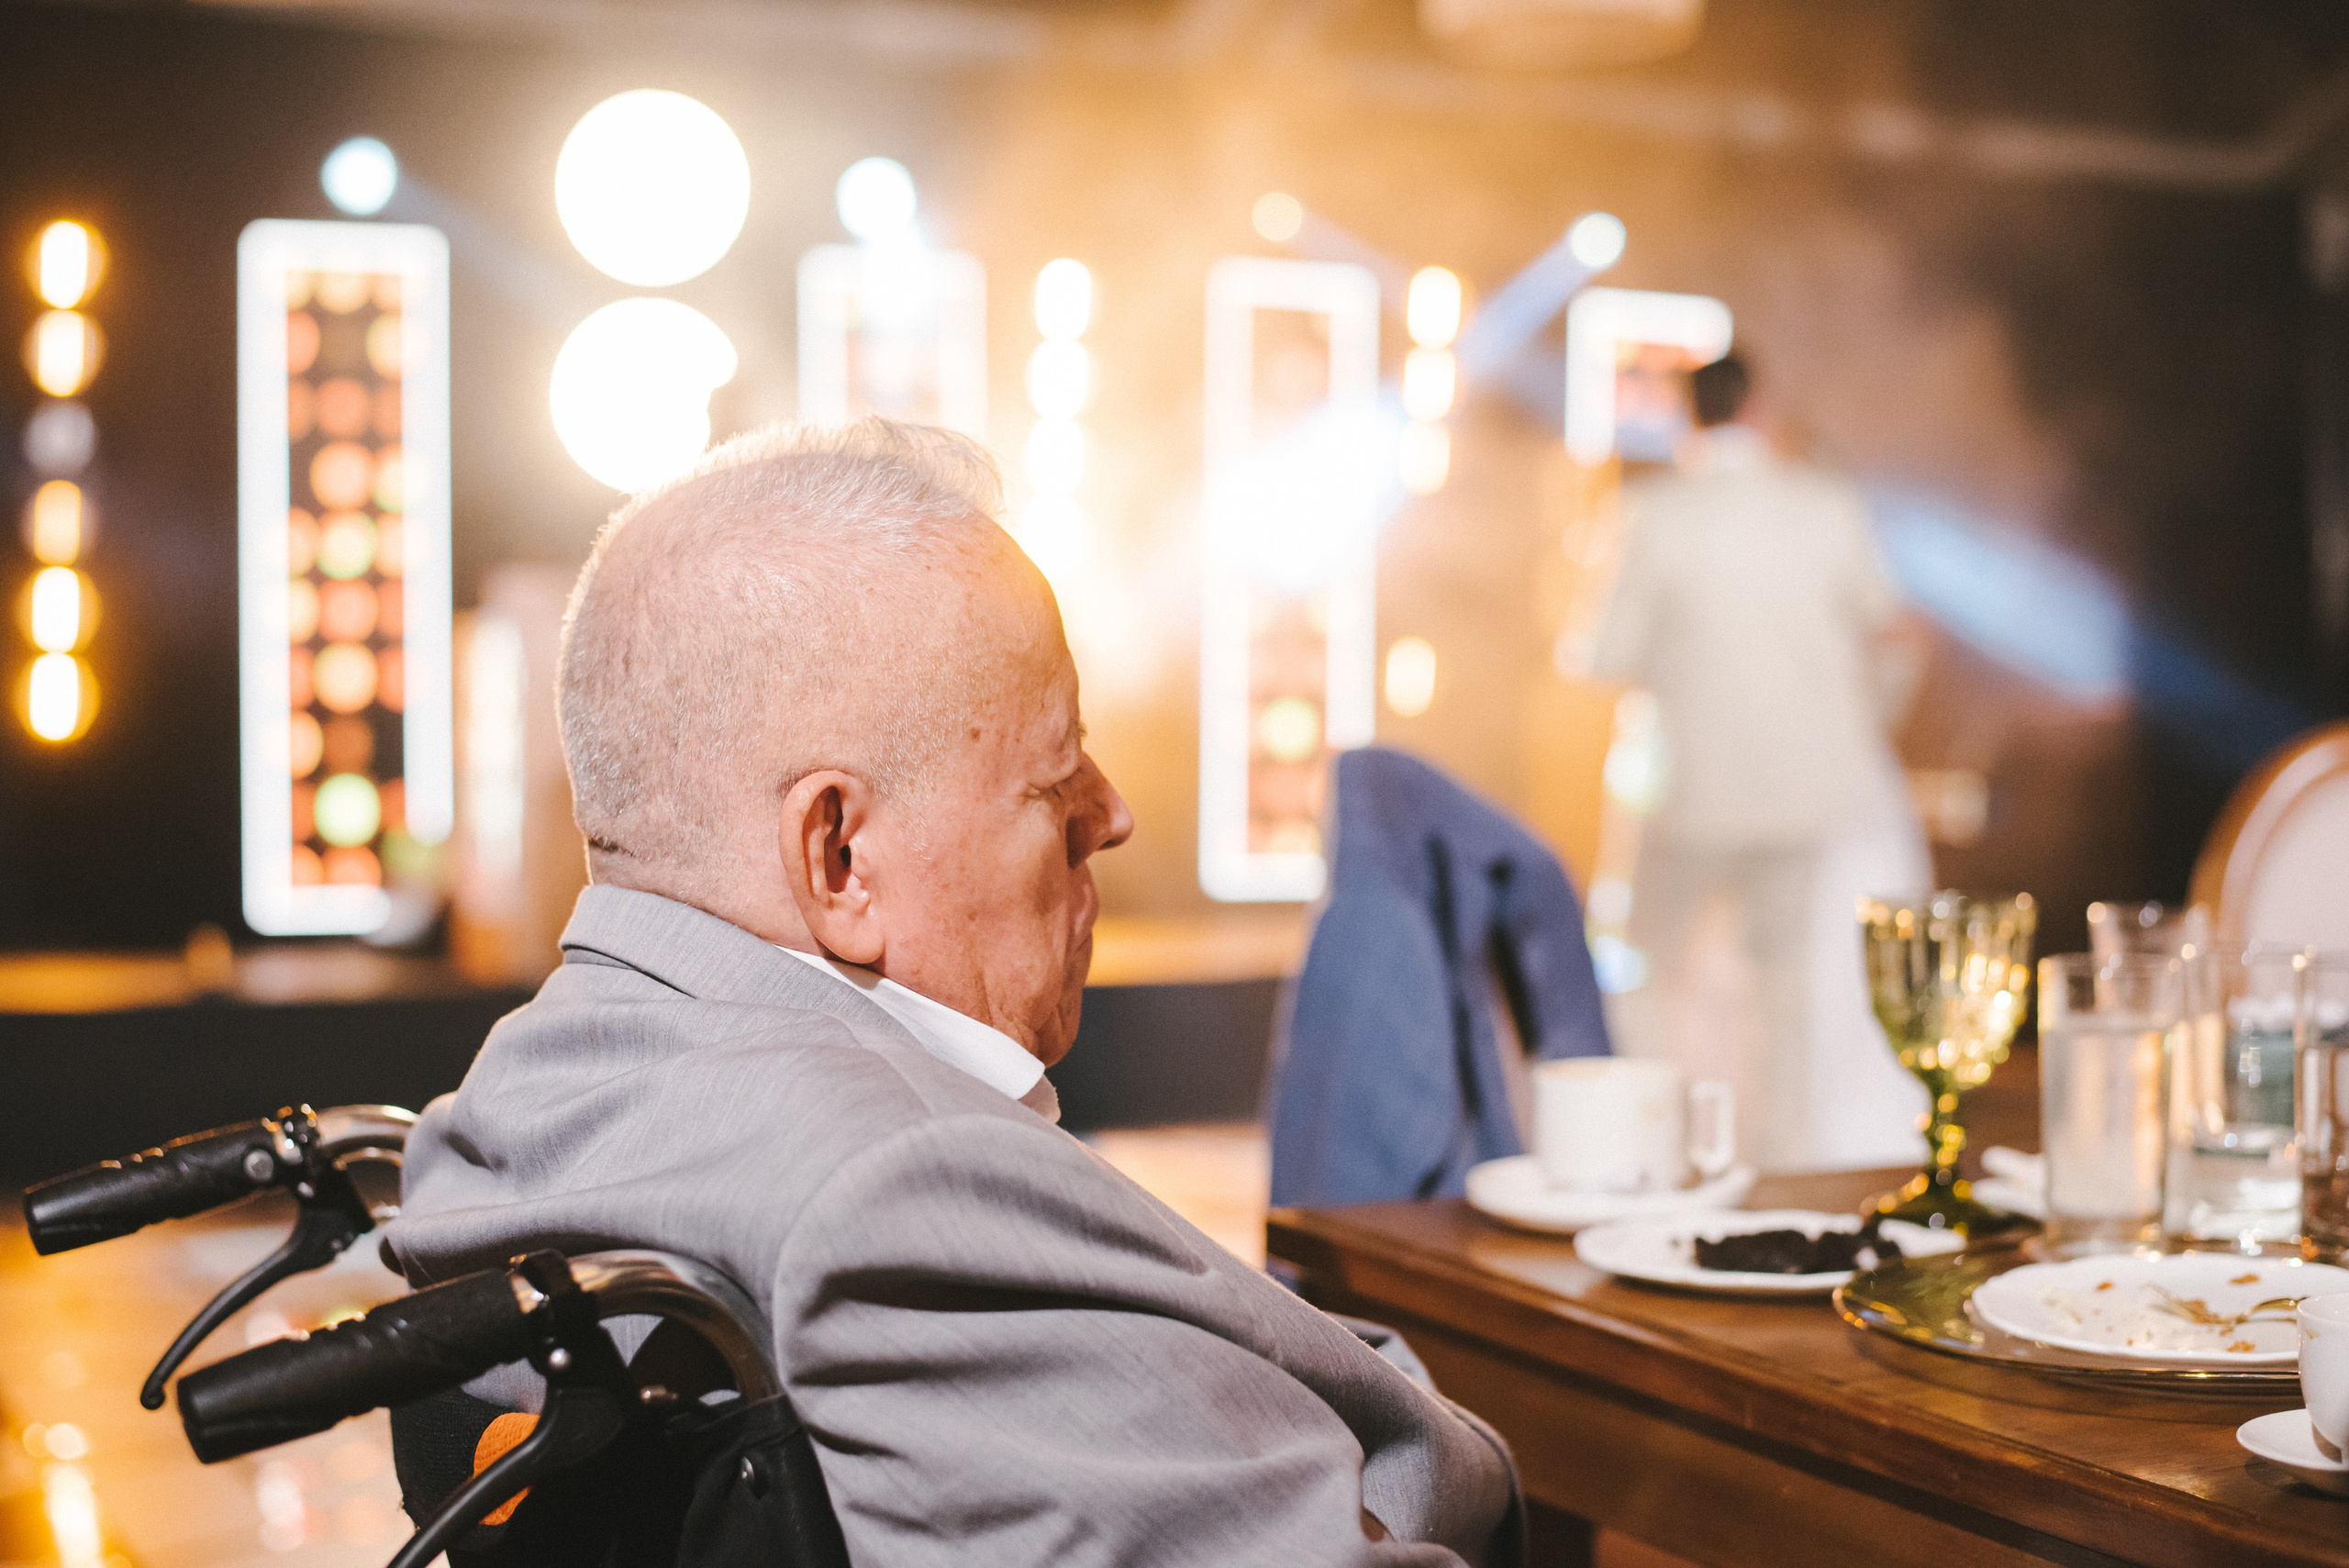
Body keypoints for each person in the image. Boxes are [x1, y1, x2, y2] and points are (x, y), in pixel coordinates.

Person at [384, 418, 1520, 1566]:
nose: (1111, 812)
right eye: (1053, 770)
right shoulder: (904, 1196)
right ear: (840, 857)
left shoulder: (497, 1113)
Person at [1590, 355, 1926, 1171]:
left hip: (1692, 796)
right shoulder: (1827, 508)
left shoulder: (1652, 514)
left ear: (1686, 417)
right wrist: (1859, 721)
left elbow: (1604, 654)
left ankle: (1640, 1153)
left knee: (1644, 971)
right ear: (1761, 405)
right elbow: (1891, 640)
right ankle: (1783, 1165)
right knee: (1788, 989)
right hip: (1807, 796)